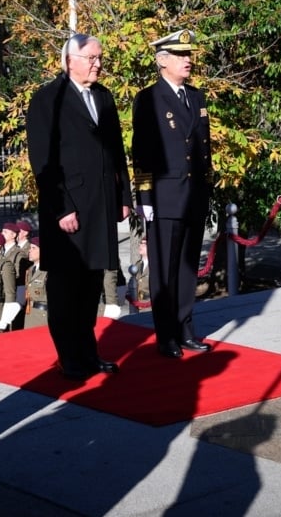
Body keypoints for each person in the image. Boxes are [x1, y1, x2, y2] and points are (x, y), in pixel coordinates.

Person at [26, 32, 131, 380]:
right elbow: (43, 159)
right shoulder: (47, 99)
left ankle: (88, 352)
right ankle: (68, 356)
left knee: (91, 283)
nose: (98, 64)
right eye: (92, 58)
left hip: (100, 203)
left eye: (100, 58)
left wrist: (124, 199)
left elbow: (117, 153)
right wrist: (62, 208)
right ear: (70, 60)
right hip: (69, 208)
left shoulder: (103, 97)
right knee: (65, 285)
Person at [131, 29, 214, 358]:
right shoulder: (149, 99)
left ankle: (185, 327)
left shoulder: (196, 97)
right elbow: (142, 152)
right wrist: (146, 198)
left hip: (193, 195)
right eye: (181, 56)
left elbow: (204, 150)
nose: (188, 60)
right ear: (161, 60)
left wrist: (206, 191)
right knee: (164, 270)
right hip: (165, 196)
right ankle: (166, 335)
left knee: (187, 266)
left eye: (189, 55)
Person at [23, 236, 49, 329]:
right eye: (30, 248)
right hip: (30, 314)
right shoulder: (30, 270)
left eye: (34, 248)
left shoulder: (49, 271)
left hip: (43, 316)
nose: (29, 251)